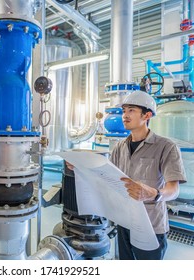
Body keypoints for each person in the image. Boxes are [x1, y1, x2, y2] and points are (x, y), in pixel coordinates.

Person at [66, 90, 186, 260]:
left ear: (147, 115)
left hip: (150, 225)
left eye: (131, 110)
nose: (125, 115)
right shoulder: (119, 147)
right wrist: (81, 168)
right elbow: (106, 178)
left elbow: (173, 189)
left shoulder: (166, 147)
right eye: (124, 111)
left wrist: (154, 193)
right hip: (124, 221)